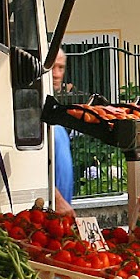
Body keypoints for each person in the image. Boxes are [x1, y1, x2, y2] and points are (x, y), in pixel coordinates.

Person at [49, 47, 75, 213]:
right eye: (52, 67)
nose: (56, 74)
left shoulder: (51, 110)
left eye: (61, 67)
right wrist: (58, 200)